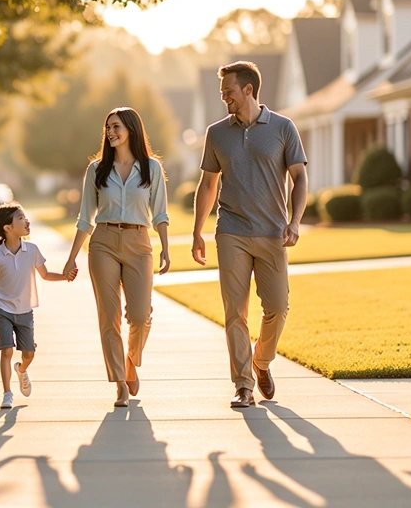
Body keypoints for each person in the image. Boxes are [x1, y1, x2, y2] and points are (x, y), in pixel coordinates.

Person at [191, 61, 308, 408]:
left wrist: (295, 221)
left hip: (273, 231)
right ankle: (243, 385)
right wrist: (197, 230)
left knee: (277, 307)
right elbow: (208, 183)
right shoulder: (217, 133)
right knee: (235, 312)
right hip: (232, 231)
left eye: (228, 91)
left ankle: (261, 361)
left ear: (248, 90)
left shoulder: (283, 128)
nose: (224, 97)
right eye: (221, 92)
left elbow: (299, 177)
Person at [63, 107, 170, 408]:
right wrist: (72, 258)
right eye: (108, 127)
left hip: (139, 242)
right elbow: (85, 217)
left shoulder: (151, 168)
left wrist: (165, 246)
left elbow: (160, 212)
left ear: (131, 130)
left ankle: (132, 360)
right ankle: (120, 383)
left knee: (139, 315)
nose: (110, 132)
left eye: (116, 127)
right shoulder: (96, 170)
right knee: (108, 318)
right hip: (103, 243)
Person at [0, 203, 73, 409]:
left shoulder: (32, 250)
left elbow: (45, 275)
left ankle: (21, 369)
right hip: (2, 308)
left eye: (25, 217)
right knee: (6, 350)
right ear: (7, 228)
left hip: (25, 310)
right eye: (20, 218)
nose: (27, 221)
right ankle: (7, 393)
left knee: (29, 353)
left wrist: (64, 276)